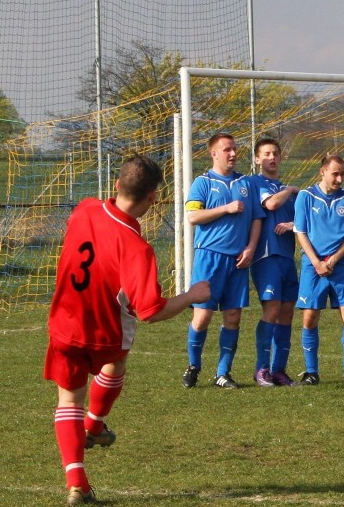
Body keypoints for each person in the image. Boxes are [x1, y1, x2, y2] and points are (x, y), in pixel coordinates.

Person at [45, 156, 210, 506]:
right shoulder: (137, 248)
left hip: (65, 322)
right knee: (115, 364)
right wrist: (192, 295)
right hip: (104, 332)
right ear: (153, 198)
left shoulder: (85, 209)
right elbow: (151, 311)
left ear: (117, 185)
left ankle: (77, 483)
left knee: (68, 400)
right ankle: (94, 425)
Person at [181, 133, 264, 389]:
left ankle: (222, 373)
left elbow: (256, 219)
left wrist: (251, 248)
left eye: (235, 149)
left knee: (233, 317)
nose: (233, 154)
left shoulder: (246, 183)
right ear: (214, 153)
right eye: (227, 149)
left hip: (238, 260)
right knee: (203, 316)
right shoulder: (203, 183)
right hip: (209, 258)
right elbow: (193, 216)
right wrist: (225, 209)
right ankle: (194, 366)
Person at [294, 154, 344, 386]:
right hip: (312, 266)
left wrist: (333, 260)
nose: (339, 178)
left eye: (342, 174)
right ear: (322, 172)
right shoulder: (305, 196)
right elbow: (300, 232)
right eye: (335, 173)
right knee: (310, 317)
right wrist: (316, 261)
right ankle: (311, 372)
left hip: (341, 265)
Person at [249, 137, 299, 386]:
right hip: (265, 256)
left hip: (287, 257)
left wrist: (293, 224)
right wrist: (290, 189)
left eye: (276, 153)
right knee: (271, 309)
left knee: (287, 312)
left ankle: (279, 369)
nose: (272, 157)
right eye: (266, 153)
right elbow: (271, 204)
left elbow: (303, 222)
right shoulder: (256, 183)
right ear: (257, 159)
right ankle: (262, 369)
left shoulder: (285, 189)